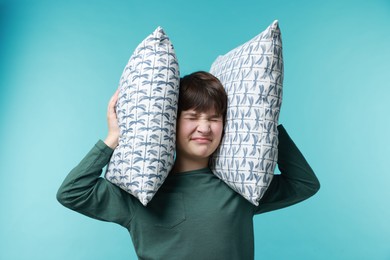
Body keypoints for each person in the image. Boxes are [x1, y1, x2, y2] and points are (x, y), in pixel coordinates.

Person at [57, 71, 320, 260]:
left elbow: (304, 184)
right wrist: (113, 137)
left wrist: (264, 123)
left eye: (214, 118)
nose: (204, 128)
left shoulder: (240, 188)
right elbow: (72, 192)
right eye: (192, 117)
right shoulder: (138, 195)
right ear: (170, 122)